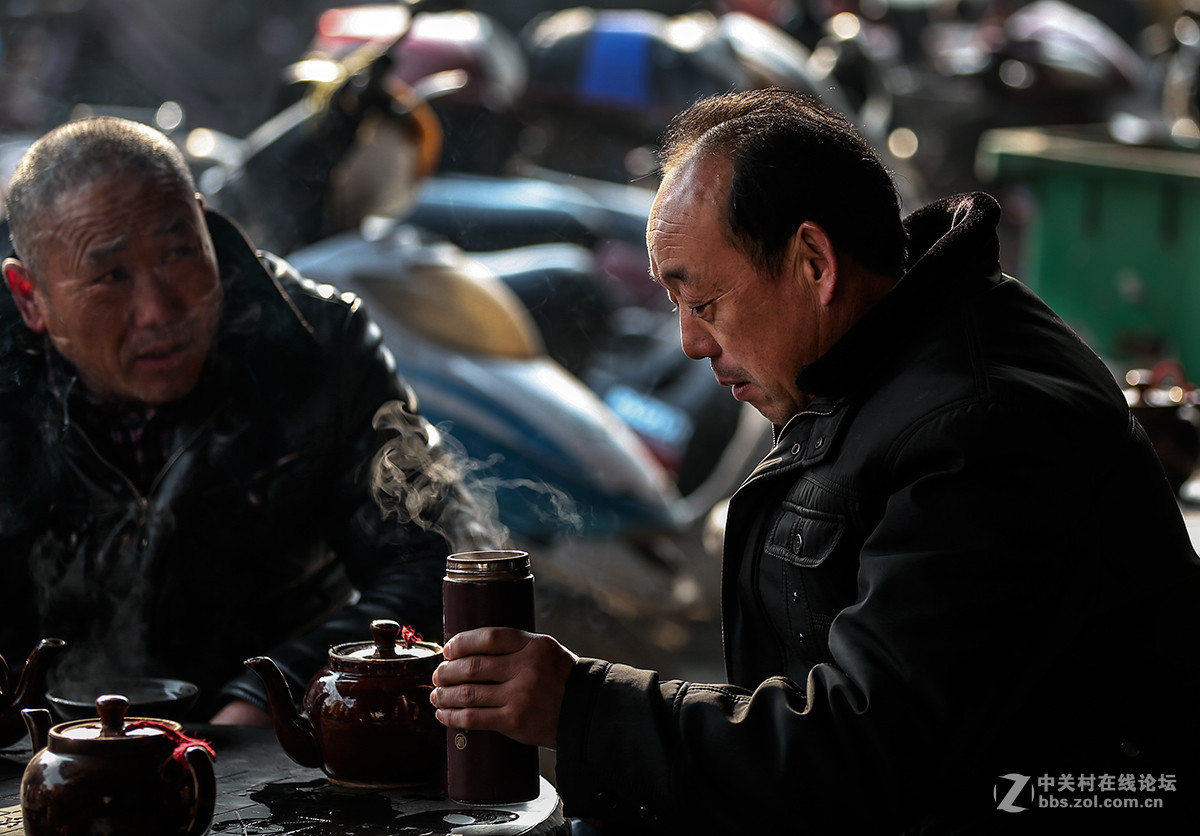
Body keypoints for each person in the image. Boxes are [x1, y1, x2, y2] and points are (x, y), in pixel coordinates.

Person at [429, 88, 1200, 832]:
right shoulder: (882, 357)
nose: (692, 342)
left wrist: (583, 706)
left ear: (813, 263)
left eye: (703, 304)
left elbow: (865, 754)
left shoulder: (980, 426)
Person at [0, 116, 460, 724]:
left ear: (202, 221)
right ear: (30, 296)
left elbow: (433, 566)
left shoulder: (319, 342)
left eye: (179, 252)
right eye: (111, 276)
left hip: (281, 745)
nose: (160, 309)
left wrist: (272, 696)